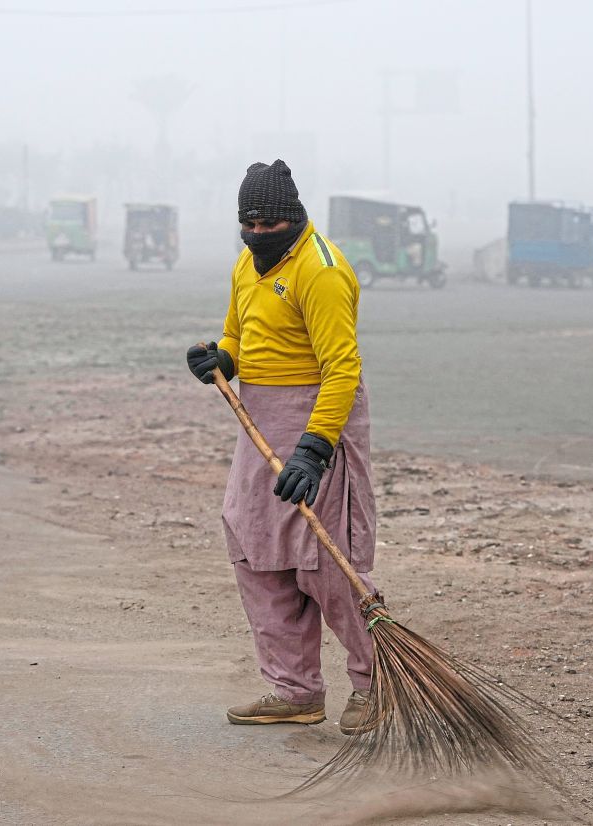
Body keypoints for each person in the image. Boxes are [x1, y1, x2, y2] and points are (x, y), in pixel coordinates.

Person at [186, 159, 377, 735]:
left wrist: (315, 449)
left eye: (272, 222)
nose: (260, 232)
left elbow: (342, 368)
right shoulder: (246, 262)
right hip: (259, 423)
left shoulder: (321, 269)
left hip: (318, 418)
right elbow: (238, 337)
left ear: (294, 218)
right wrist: (220, 359)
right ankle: (295, 690)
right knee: (255, 548)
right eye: (250, 222)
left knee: (326, 562)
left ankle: (374, 683)